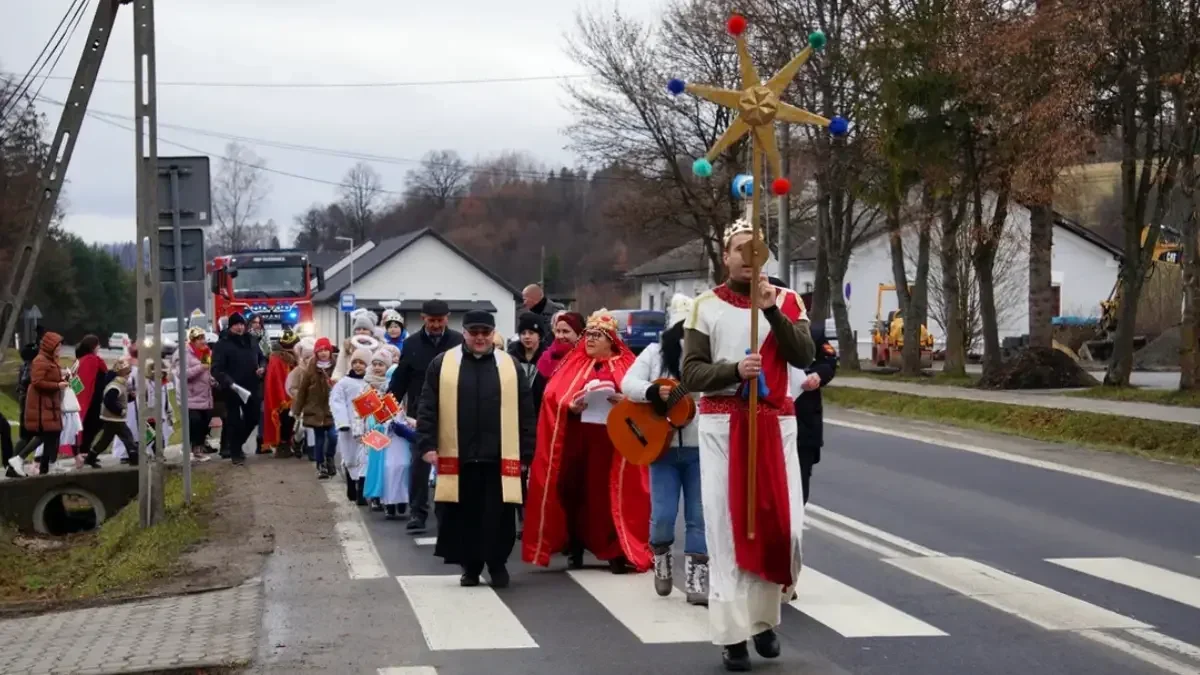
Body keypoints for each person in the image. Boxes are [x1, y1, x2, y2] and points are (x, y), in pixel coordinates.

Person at [681, 219, 816, 671]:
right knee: (727, 531)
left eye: (754, 248)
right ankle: (733, 635)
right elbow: (691, 374)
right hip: (724, 426)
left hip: (777, 426)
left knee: (784, 529)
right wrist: (734, 371)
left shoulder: (789, 300)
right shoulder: (705, 308)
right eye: (738, 248)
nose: (746, 256)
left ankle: (763, 620)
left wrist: (772, 310)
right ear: (725, 256)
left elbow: (803, 355)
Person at [522, 310, 652, 575]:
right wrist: (570, 406)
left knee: (610, 496)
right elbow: (552, 397)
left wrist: (624, 403)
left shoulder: (628, 366)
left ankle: (616, 550)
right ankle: (575, 545)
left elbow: (643, 401)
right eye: (589, 334)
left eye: (597, 336)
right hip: (578, 442)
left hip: (613, 446)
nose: (590, 340)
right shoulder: (574, 363)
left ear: (611, 340)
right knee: (575, 493)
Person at [417, 310, 536, 588]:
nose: (480, 338)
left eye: (486, 333)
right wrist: (427, 444)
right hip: (459, 455)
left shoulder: (510, 366)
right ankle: (470, 567)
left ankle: (497, 564)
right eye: (474, 333)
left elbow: (526, 412)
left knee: (498, 516)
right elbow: (427, 406)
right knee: (464, 515)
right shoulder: (443, 364)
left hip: (499, 455)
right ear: (465, 333)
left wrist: (526, 452)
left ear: (493, 333)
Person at [622, 293, 707, 604]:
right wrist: (652, 391)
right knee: (662, 516)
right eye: (683, 328)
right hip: (663, 449)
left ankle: (698, 580)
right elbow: (627, 383)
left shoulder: (710, 355)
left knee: (699, 516)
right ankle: (662, 561)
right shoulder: (655, 353)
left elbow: (727, 385)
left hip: (701, 448)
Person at [388, 299, 464, 534]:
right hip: (419, 414)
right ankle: (418, 512)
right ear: (423, 319)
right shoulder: (411, 344)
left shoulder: (458, 342)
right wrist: (389, 405)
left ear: (447, 318)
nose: (435, 325)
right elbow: (400, 380)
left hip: (454, 410)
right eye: (431, 320)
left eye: (440, 320)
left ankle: (450, 513)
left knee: (452, 463)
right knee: (419, 463)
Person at [790, 323, 838, 504]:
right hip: (769, 420)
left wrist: (818, 375)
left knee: (800, 484)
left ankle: (794, 526)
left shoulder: (812, 333)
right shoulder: (760, 329)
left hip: (804, 420)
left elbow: (829, 362)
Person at [212, 312, 266, 466]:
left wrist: (262, 368)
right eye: (236, 324)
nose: (240, 327)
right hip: (232, 388)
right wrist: (228, 382)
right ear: (231, 326)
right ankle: (235, 452)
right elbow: (216, 368)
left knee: (253, 417)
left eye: (242, 324)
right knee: (233, 420)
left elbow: (262, 357)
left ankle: (236, 444)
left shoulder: (252, 340)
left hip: (252, 386)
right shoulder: (222, 344)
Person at [22, 331, 68, 476]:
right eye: (58, 347)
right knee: (47, 434)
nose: (60, 349)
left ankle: (45, 468)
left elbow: (49, 376)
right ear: (50, 346)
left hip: (50, 403)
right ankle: (19, 458)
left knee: (52, 433)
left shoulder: (51, 360)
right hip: (43, 403)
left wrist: (62, 376)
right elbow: (37, 381)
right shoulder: (41, 360)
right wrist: (57, 385)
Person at [291, 337, 338, 479]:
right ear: (316, 353)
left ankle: (329, 458)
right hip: (315, 411)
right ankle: (321, 465)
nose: (323, 353)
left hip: (332, 411)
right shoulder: (310, 370)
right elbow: (302, 391)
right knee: (319, 440)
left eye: (326, 350)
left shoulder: (336, 368)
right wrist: (297, 410)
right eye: (320, 350)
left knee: (333, 437)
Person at [331, 347, 372, 504]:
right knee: (350, 457)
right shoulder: (343, 383)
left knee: (365, 458)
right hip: (348, 427)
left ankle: (362, 491)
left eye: (362, 363)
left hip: (366, 427)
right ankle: (351, 485)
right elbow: (337, 402)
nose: (358, 366)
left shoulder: (370, 383)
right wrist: (342, 422)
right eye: (355, 362)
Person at [89, 357, 139, 462]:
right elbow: (109, 402)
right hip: (114, 418)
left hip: (113, 418)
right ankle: (134, 456)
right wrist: (120, 411)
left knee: (106, 439)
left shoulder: (120, 385)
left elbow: (120, 399)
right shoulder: (115, 386)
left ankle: (92, 456)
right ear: (122, 374)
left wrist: (130, 398)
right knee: (127, 436)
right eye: (127, 374)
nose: (129, 376)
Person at [178, 327, 215, 464]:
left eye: (203, 338)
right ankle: (189, 449)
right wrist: (201, 368)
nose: (202, 341)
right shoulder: (185, 354)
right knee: (195, 422)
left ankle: (198, 449)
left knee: (205, 424)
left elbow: (208, 371)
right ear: (192, 341)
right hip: (191, 396)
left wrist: (212, 379)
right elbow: (183, 374)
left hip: (205, 395)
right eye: (199, 339)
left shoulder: (206, 353)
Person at [70, 335, 108, 468]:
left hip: (85, 399)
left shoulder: (80, 360)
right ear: (93, 347)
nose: (99, 347)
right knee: (95, 425)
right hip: (94, 399)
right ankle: (86, 452)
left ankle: (85, 452)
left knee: (88, 426)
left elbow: (76, 381)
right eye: (98, 345)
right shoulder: (92, 360)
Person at [263, 330, 300, 458]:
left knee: (294, 421)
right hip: (283, 398)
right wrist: (282, 396)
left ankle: (292, 443)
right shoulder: (276, 359)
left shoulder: (297, 357)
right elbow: (276, 379)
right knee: (285, 420)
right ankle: (283, 446)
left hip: (294, 394)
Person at [536, 311, 584, 381]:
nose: (560, 336)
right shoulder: (547, 358)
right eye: (558, 331)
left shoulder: (587, 360)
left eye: (565, 331)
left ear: (579, 335)